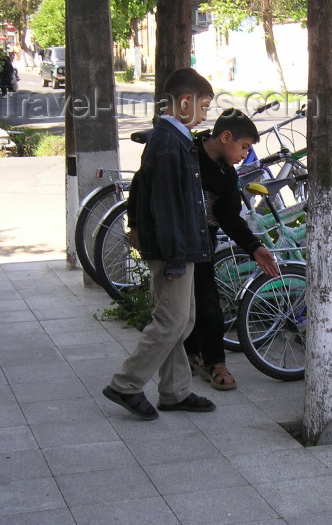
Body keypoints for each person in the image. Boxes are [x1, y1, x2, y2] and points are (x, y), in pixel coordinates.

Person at [102, 68, 216, 420]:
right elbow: (167, 208)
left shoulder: (173, 139)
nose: (206, 114)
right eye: (204, 105)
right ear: (184, 102)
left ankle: (174, 391)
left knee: (183, 320)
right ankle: (125, 384)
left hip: (181, 250)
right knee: (170, 321)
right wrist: (176, 260)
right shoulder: (168, 144)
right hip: (173, 253)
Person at [185, 109, 279, 390]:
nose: (244, 154)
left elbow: (228, 217)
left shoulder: (226, 175)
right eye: (244, 147)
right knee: (178, 308)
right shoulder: (184, 154)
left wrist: (254, 247)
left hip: (202, 247)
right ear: (226, 137)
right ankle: (189, 352)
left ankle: (214, 361)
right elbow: (145, 184)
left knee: (208, 303)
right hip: (171, 246)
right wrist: (137, 227)